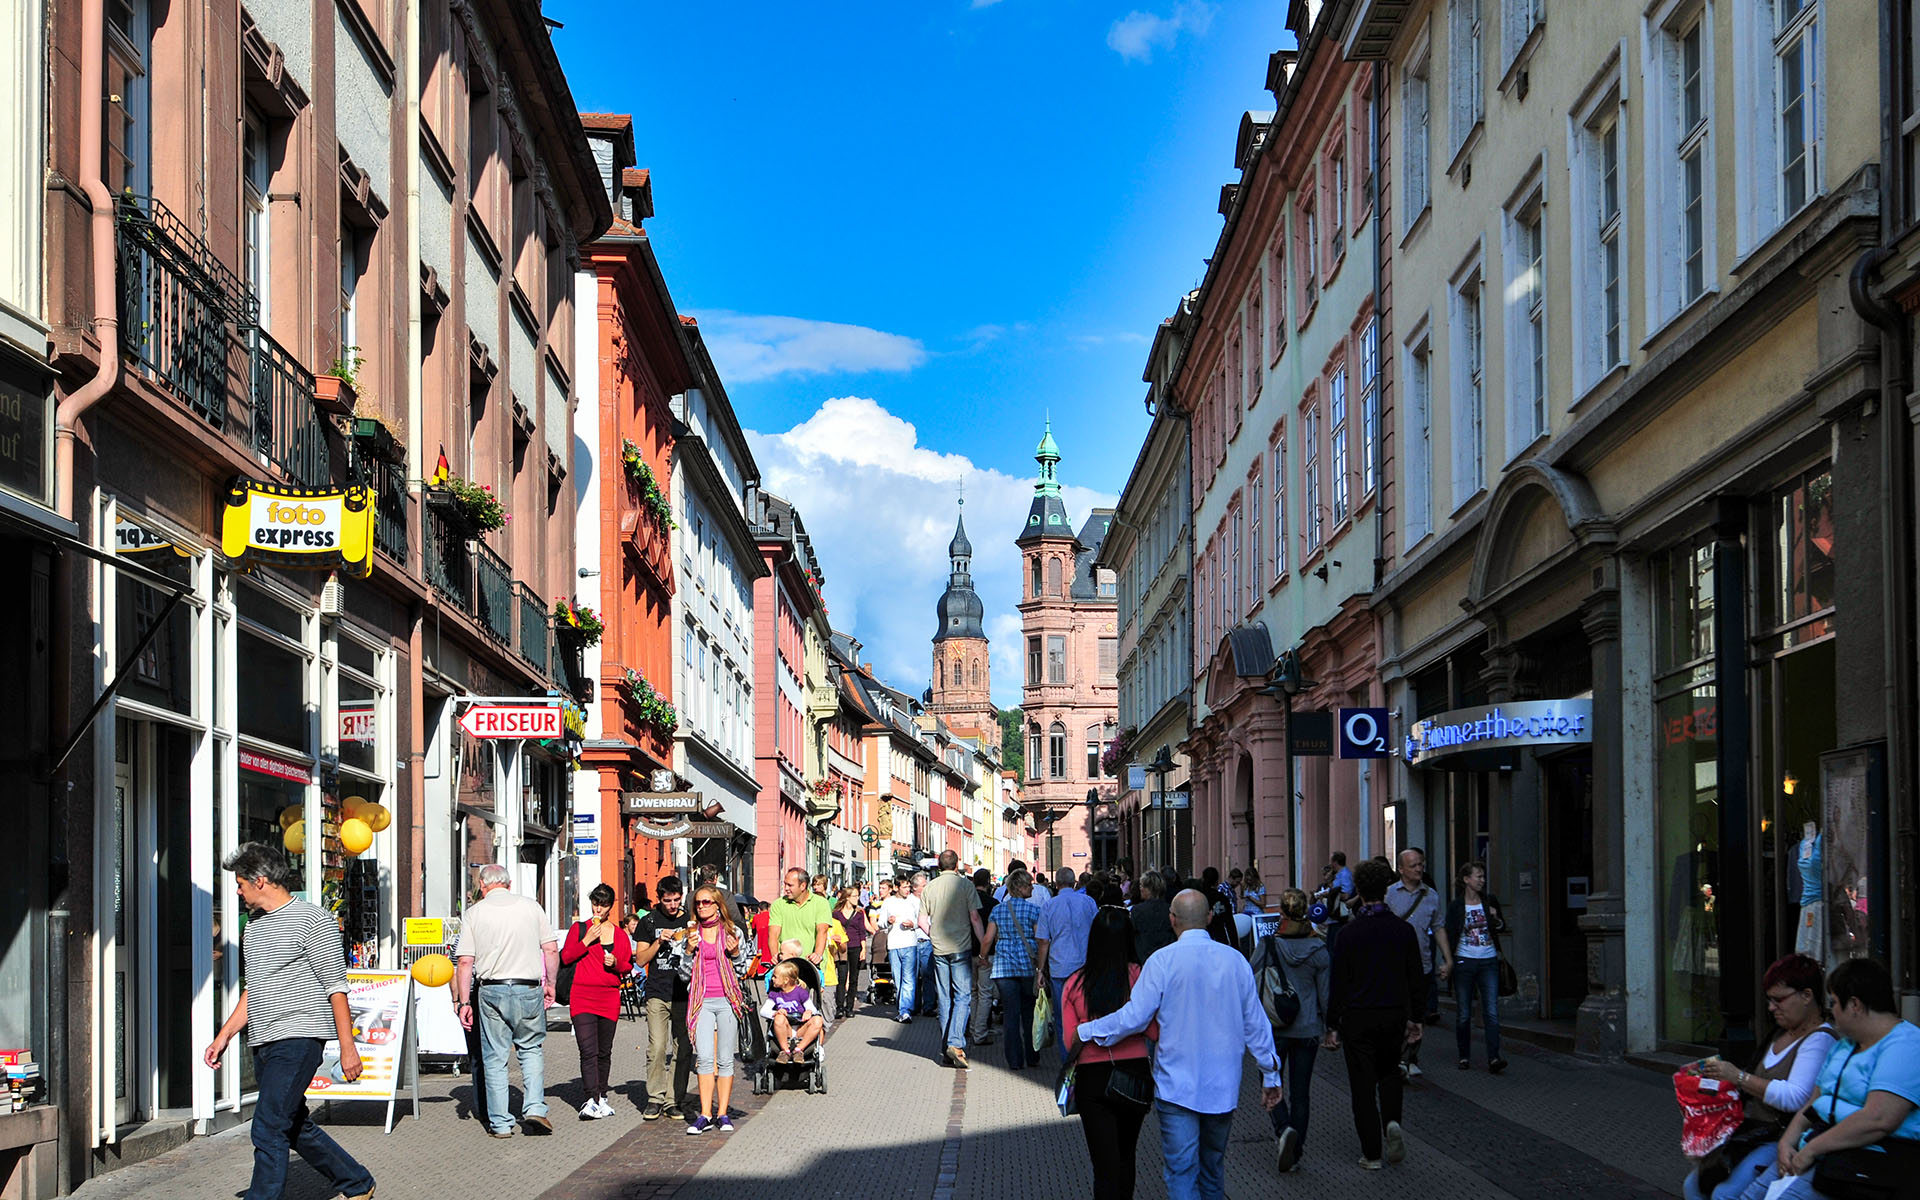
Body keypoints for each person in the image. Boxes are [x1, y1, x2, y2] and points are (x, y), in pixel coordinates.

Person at [1075, 890, 1283, 1200]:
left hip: (1176, 1086)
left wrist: (1088, 1030)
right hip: (1222, 1087)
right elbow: (1256, 1024)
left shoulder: (1161, 962)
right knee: (1213, 1170)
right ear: (1209, 918)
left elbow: (1134, 1018)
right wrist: (1270, 1073)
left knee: (1181, 1173)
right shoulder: (1235, 961)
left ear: (1172, 920)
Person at [203, 844, 375, 1200]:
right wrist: (224, 1036)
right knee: (292, 1124)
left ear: (260, 881)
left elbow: (336, 987)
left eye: (240, 884)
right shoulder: (254, 927)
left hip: (299, 1038)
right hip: (263, 1039)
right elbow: (255, 989)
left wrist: (348, 1049)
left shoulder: (313, 920)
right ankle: (356, 1182)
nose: (237, 891)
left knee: (267, 1127)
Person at [1735, 958, 1920, 1200]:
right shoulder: (1845, 1045)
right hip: (1821, 1150)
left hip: (1865, 1162)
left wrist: (1811, 1150)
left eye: (1833, 1003)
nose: (1830, 1011)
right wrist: (1787, 1143)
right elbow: (1814, 1102)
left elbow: (1878, 1119)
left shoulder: (1906, 1046)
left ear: (1854, 1005)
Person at [1683, 954, 1835, 1200]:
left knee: (1725, 1193)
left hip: (1778, 1136)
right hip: (1750, 1132)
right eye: (1769, 1000)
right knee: (1695, 1185)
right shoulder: (1780, 1032)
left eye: (1779, 1000)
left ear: (1807, 996)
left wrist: (1739, 1077)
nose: (1771, 1007)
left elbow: (1796, 1097)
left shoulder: (1819, 1040)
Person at [1327, 858, 1426, 1170]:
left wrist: (1332, 1024)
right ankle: (1392, 1123)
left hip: (1357, 1017)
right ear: (1386, 889)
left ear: (1358, 889)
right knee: (1389, 1073)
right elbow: (1415, 978)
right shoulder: (1404, 931)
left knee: (1362, 1086)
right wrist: (1416, 1018)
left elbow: (1338, 983)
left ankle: (1371, 1154)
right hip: (1393, 1014)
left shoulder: (1348, 934)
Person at [453, 863, 560, 1138]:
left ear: (482, 885)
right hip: (528, 988)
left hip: (492, 990)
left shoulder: (474, 913)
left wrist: (464, 1002)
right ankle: (535, 1106)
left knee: (494, 1058)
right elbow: (550, 948)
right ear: (509, 885)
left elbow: (465, 961)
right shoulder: (531, 907)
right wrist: (550, 984)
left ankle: (501, 1123)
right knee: (531, 1049)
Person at [1062, 907, 1159, 1200]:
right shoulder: (1141, 976)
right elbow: (1154, 1032)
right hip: (1135, 1073)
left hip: (1093, 1077)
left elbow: (1070, 1041)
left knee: (1103, 1166)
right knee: (1126, 1156)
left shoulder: (1074, 983)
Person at [1249, 888, 1330, 1173]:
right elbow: (1325, 995)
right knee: (1301, 1092)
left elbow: (1250, 979)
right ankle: (1295, 1153)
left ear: (1281, 913)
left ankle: (1283, 1129)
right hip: (1307, 1029)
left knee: (1270, 1081)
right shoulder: (1318, 948)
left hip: (1274, 1028)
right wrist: (1330, 1028)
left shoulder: (1269, 944)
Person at [561, 883, 633, 1119]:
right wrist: (586, 941)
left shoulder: (620, 935)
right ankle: (590, 1098)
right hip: (582, 995)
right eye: (595, 903)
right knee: (587, 1050)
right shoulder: (580, 929)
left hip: (609, 996)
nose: (598, 908)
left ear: (611, 906)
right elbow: (566, 956)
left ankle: (602, 1096)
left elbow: (627, 965)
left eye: (603, 904)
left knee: (604, 1051)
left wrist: (616, 964)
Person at [684, 885, 748, 1134]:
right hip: (701, 1000)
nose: (701, 907)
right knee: (704, 1059)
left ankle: (722, 1114)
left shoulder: (733, 932)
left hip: (727, 999)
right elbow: (682, 975)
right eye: (698, 903)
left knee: (724, 1059)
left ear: (718, 905)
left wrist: (735, 954)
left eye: (706, 902)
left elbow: (743, 971)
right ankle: (704, 1114)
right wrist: (688, 951)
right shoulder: (691, 934)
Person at [1385, 847, 1450, 1079]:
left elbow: (1438, 927)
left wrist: (1447, 959)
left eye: (1421, 864)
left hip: (1422, 965)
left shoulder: (1431, 895)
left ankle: (1411, 1057)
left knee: (1417, 1015)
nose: (1419, 869)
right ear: (1401, 869)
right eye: (1413, 865)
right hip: (1394, 966)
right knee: (1399, 1015)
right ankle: (1400, 1059)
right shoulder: (1389, 894)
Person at [634, 876, 693, 1121]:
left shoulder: (689, 918)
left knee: (683, 1047)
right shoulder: (648, 921)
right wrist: (659, 941)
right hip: (657, 992)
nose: (672, 905)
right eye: (667, 900)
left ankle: (674, 1100)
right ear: (659, 899)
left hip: (684, 991)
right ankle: (655, 1098)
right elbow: (640, 960)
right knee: (657, 1047)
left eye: (676, 900)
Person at [921, 850, 988, 1067]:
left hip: (939, 949)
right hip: (961, 946)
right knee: (962, 996)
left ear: (939, 866)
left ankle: (945, 1049)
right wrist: (984, 947)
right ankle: (955, 1042)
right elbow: (975, 917)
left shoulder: (929, 887)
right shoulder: (966, 886)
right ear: (957, 864)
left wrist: (934, 935)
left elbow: (922, 920)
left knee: (945, 998)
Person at [1445, 860, 1509, 1073]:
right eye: (1478, 876)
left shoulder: (1489, 901)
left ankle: (1494, 1058)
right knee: (1464, 1013)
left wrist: (1495, 918)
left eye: (1483, 876)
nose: (1482, 880)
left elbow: (1501, 926)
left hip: (1488, 960)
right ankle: (1464, 1056)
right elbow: (1449, 933)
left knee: (1491, 1011)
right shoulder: (1456, 906)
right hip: (1465, 960)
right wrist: (1449, 961)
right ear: (1466, 880)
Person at [1036, 866, 1098, 1062]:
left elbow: (1044, 941)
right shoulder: (1089, 902)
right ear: (1074, 883)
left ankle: (1068, 1062)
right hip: (1085, 965)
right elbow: (1098, 932)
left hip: (1059, 967)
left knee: (1063, 1018)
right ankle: (1087, 1057)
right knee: (1086, 1014)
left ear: (1057, 883)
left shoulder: (1049, 906)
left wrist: (1040, 970)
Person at [982, 869, 1042, 1071]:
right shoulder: (1034, 911)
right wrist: (1042, 966)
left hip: (1004, 969)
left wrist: (983, 957)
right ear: (1021, 887)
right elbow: (1040, 939)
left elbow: (988, 938)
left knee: (1010, 1015)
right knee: (1029, 1014)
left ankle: (1015, 1061)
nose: (1032, 888)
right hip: (1026, 967)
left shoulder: (998, 910)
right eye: (1029, 885)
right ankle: (1032, 1056)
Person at [879, 872, 926, 1021]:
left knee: (909, 979)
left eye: (908, 887)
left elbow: (921, 920)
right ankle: (902, 1008)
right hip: (894, 944)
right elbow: (880, 924)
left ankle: (906, 1010)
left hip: (910, 943)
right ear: (896, 887)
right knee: (898, 980)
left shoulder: (914, 901)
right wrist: (888, 921)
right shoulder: (888, 902)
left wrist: (913, 924)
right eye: (905, 887)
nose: (908, 890)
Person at [769, 867, 832, 969]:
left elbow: (822, 931)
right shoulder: (779, 904)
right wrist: (775, 955)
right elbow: (773, 934)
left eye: (790, 885)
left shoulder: (821, 903)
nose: (786, 888)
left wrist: (817, 954)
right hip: (786, 965)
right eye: (785, 884)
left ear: (803, 886)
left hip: (810, 964)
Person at [765, 960, 825, 1062]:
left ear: (785, 980)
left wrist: (809, 1011)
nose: (772, 979)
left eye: (775, 977)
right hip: (784, 1029)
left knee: (818, 1020)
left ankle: (799, 1049)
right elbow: (764, 1011)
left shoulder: (800, 992)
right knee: (779, 1018)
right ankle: (785, 1051)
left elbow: (813, 1009)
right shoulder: (775, 994)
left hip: (800, 1029)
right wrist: (775, 1012)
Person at [969, 868, 998, 1046]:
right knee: (985, 993)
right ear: (988, 882)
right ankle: (980, 1033)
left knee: (972, 993)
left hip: (967, 949)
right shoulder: (993, 903)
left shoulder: (967, 901)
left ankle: (973, 1028)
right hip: (987, 952)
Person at [832, 886, 869, 1018]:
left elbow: (861, 932)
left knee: (853, 978)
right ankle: (839, 1007)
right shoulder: (836, 913)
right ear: (847, 897)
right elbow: (833, 929)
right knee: (841, 978)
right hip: (842, 948)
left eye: (858, 896)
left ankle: (850, 1008)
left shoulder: (859, 913)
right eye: (855, 896)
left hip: (855, 947)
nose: (857, 898)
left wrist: (863, 949)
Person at [1131, 872, 1176, 961]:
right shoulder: (1170, 909)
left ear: (1149, 888)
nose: (1140, 888)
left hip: (1144, 956)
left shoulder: (1137, 910)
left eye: (1142, 885)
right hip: (1166, 956)